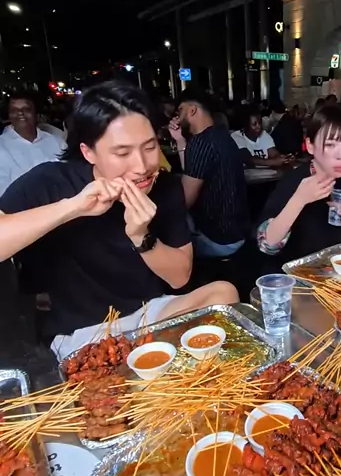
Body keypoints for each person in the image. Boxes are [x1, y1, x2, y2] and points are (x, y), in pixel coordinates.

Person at [0, 82, 238, 359]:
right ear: (88, 152)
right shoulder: (50, 181)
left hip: (150, 317)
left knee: (224, 293)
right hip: (86, 333)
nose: (142, 166)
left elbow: (179, 277)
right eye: (123, 153)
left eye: (149, 147)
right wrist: (74, 207)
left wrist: (141, 236)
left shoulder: (165, 187)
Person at [256, 106, 341, 262]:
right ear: (310, 145)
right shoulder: (293, 181)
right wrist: (299, 199)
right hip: (296, 272)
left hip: (334, 267)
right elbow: (266, 244)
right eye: (330, 144)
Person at [169, 90, 249, 258]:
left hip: (217, 240)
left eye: (180, 110)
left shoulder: (200, 142)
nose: (177, 117)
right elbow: (192, 171)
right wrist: (180, 140)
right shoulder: (223, 136)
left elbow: (185, 201)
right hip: (237, 234)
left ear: (192, 110)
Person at [0, 91, 66, 196]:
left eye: (26, 109)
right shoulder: (2, 146)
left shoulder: (55, 141)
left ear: (37, 114)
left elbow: (69, 174)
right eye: (14, 110)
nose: (20, 113)